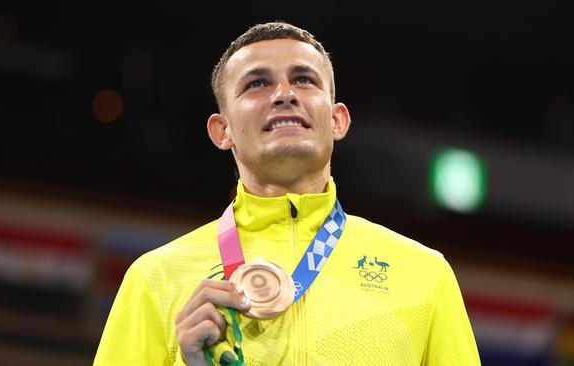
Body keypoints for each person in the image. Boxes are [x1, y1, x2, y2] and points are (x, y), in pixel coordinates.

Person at [94, 21, 480, 365]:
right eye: (257, 83)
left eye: (304, 80)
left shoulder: (425, 274)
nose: (284, 94)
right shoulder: (155, 277)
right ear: (221, 130)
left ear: (336, 120)